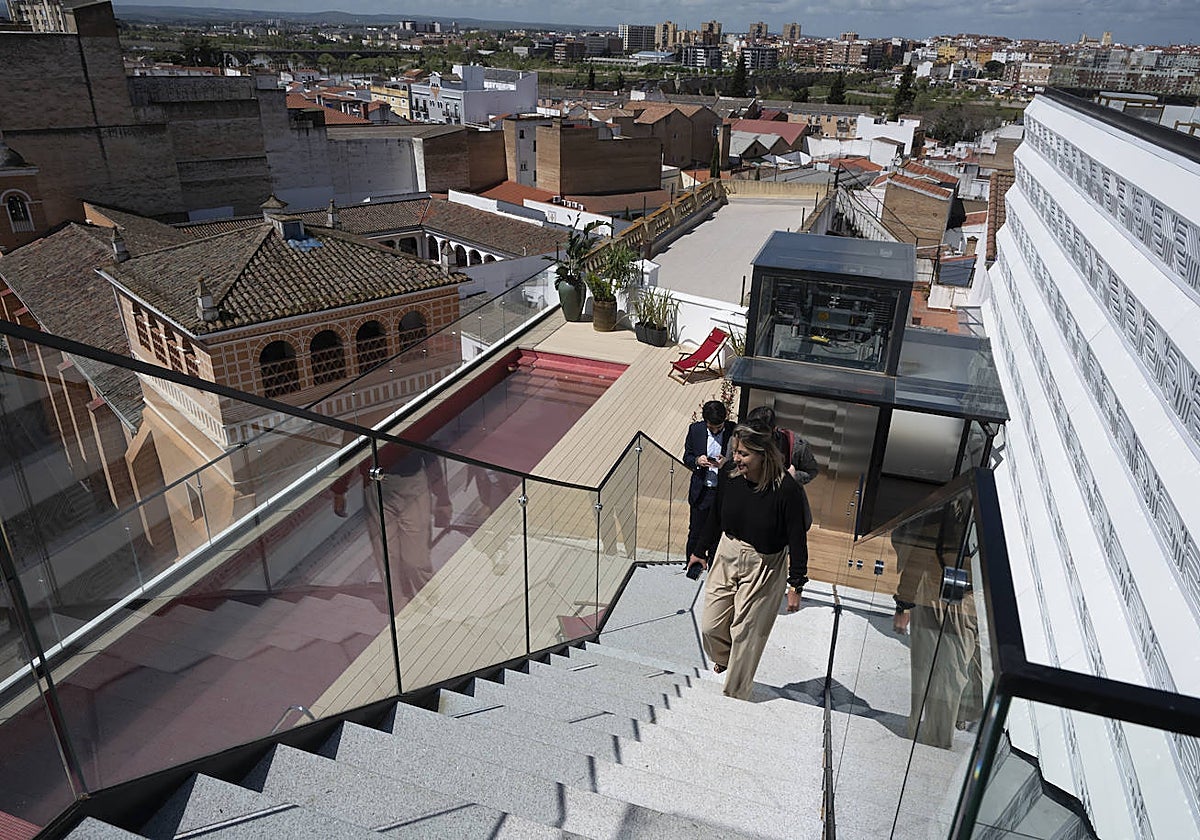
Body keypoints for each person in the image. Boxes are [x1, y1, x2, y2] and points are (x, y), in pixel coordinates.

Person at [687, 422, 810, 700]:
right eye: (735, 451)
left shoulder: (786, 489)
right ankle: (728, 659)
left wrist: (796, 584)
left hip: (764, 564)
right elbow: (715, 516)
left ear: (763, 454)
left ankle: (735, 694)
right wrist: (700, 549)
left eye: (743, 453)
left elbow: (797, 538)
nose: (736, 458)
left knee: (745, 632)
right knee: (710, 625)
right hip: (727, 552)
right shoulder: (730, 476)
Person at [331, 443, 452, 605]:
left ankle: (434, 603)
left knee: (415, 559)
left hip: (411, 481)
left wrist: (442, 496)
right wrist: (340, 489)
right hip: (375, 484)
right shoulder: (366, 417)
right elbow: (352, 444)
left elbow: (428, 447)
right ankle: (399, 611)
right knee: (386, 556)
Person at [682, 400, 737, 563]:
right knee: (695, 532)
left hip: (722, 492)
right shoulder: (695, 430)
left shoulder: (734, 431)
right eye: (711, 427)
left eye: (719, 427)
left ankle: (712, 564)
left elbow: (741, 462)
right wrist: (697, 461)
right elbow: (687, 457)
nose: (715, 430)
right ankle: (691, 564)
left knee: (717, 534)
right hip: (702, 491)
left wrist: (726, 464)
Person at [745, 405, 819, 485]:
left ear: (774, 430)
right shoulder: (740, 440)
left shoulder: (797, 446)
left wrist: (791, 477)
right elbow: (730, 468)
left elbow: (812, 471)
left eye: (762, 436)